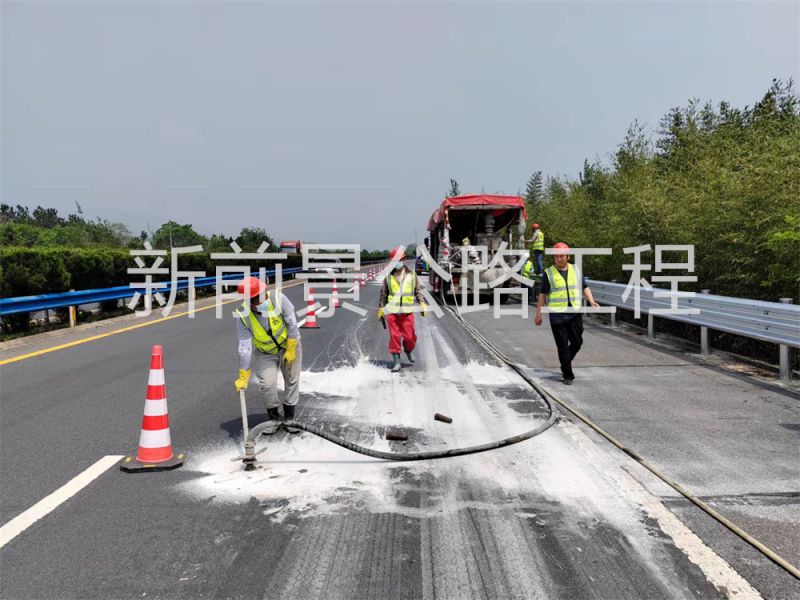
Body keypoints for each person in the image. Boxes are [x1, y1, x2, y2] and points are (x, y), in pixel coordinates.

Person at [233, 276, 301, 431]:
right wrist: (243, 374)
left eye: (263, 293)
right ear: (249, 300)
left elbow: (292, 324)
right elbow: (244, 347)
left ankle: (290, 417)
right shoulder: (242, 315)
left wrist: (291, 349)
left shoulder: (279, 299)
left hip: (288, 345)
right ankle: (274, 419)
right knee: (267, 384)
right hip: (265, 353)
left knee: (292, 380)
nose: (263, 298)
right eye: (258, 297)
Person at [534, 242, 600, 385]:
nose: (559, 259)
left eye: (562, 256)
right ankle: (567, 375)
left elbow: (584, 287)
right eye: (556, 256)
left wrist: (592, 301)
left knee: (577, 342)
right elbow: (543, 294)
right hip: (557, 315)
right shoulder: (548, 273)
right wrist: (538, 313)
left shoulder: (576, 270)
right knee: (562, 345)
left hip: (574, 313)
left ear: (568, 256)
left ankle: (566, 361)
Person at [378, 247, 427, 372]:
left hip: (407, 312)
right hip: (392, 312)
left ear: (404, 260)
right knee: (395, 336)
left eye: (399, 260)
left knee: (410, 337)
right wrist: (381, 308)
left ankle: (408, 349)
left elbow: (418, 291)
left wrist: (422, 302)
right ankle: (397, 361)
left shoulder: (412, 275)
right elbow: (383, 294)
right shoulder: (388, 277)